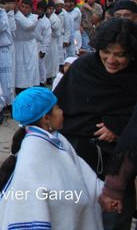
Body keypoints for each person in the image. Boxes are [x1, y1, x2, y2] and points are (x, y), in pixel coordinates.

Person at [54, 18, 137, 229]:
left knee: (113, 221)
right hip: (76, 161)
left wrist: (118, 128)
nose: (112, 60)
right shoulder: (83, 68)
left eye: (120, 55)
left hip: (118, 167)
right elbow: (57, 108)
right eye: (107, 52)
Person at [0, 86, 103, 229]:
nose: (62, 112)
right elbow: (30, 208)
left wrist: (104, 192)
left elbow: (80, 172)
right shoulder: (32, 153)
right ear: (46, 118)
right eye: (58, 108)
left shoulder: (56, 139)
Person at [0, 0, 15, 107]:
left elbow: (0, 28)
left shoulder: (4, 15)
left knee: (5, 79)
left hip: (3, 50)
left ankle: (9, 104)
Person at [13, 0, 39, 94]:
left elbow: (27, 25)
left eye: (26, 8)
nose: (24, 9)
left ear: (31, 9)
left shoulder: (34, 18)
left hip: (29, 48)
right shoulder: (16, 16)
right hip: (17, 46)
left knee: (29, 72)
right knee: (18, 72)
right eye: (22, 6)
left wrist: (17, 13)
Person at [44, 0, 62, 83]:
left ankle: (50, 76)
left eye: (52, 9)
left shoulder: (55, 18)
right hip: (45, 40)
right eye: (49, 9)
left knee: (52, 58)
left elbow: (53, 28)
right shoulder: (45, 16)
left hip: (52, 40)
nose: (50, 10)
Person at [35, 0, 51, 86]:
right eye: (38, 9)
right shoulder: (33, 18)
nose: (39, 11)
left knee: (40, 64)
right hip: (32, 44)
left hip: (40, 45)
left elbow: (47, 37)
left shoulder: (46, 22)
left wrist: (43, 50)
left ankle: (42, 81)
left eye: (41, 10)